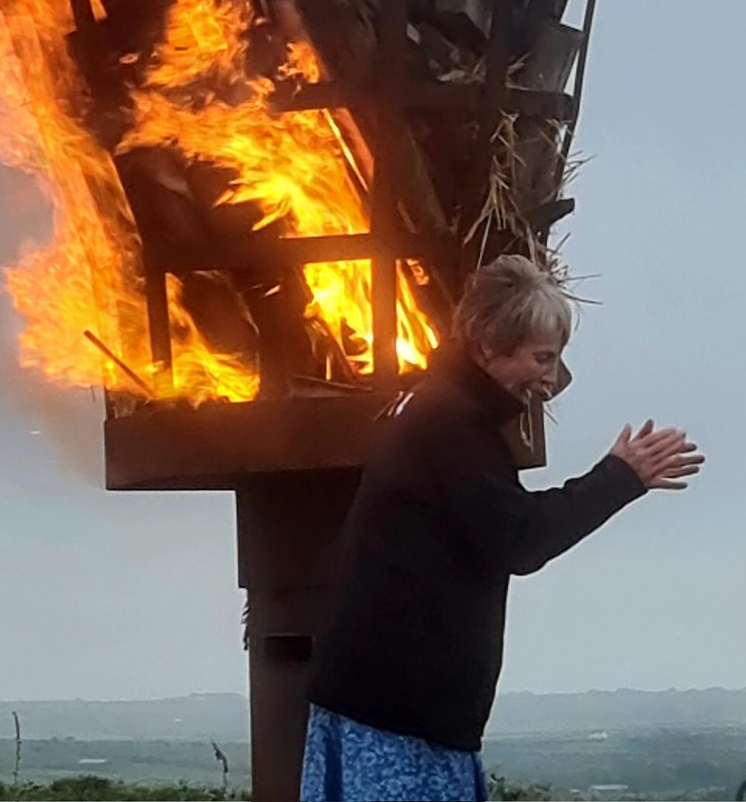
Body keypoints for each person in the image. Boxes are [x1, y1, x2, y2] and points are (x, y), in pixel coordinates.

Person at [301, 254, 703, 802]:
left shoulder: (447, 411)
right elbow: (518, 539)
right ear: (490, 347)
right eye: (542, 357)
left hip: (390, 702)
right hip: (396, 713)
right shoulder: (452, 426)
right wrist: (619, 477)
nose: (551, 375)